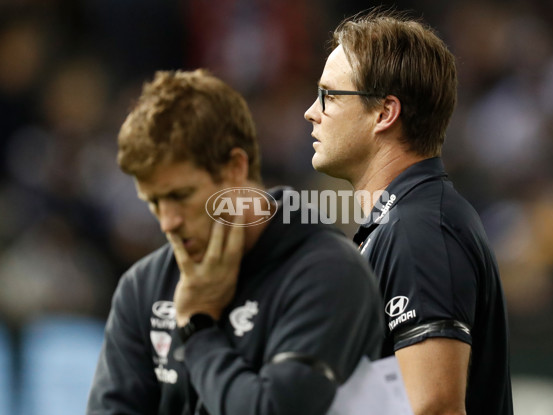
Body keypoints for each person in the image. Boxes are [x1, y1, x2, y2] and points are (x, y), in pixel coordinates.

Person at [87, 69, 384, 415]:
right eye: (153, 202)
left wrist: (197, 327)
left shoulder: (329, 275)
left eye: (181, 195)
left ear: (235, 168)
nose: (167, 222)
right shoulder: (143, 287)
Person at [304, 9, 513, 415]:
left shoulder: (418, 229)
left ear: (384, 113)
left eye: (329, 95)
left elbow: (433, 406)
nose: (312, 111)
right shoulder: (403, 222)